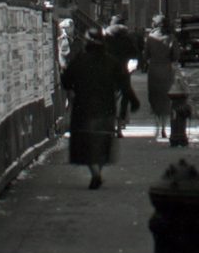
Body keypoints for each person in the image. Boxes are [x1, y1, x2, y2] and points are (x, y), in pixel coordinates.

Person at [60, 26, 138, 189]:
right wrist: (133, 100)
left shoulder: (80, 60)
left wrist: (71, 81)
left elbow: (66, 81)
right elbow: (124, 83)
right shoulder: (110, 61)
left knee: (86, 143)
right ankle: (98, 171)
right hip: (106, 108)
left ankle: (95, 173)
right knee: (102, 143)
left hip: (84, 108)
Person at [143, 14, 181, 141]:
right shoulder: (171, 38)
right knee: (166, 99)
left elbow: (145, 55)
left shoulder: (150, 38)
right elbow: (176, 56)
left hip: (153, 71)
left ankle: (157, 128)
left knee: (154, 98)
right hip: (166, 71)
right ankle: (165, 128)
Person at [104, 14, 140, 136]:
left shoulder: (106, 37)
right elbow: (134, 54)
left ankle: (109, 125)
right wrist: (132, 67)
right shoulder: (127, 37)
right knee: (123, 99)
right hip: (123, 72)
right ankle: (119, 127)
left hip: (108, 72)